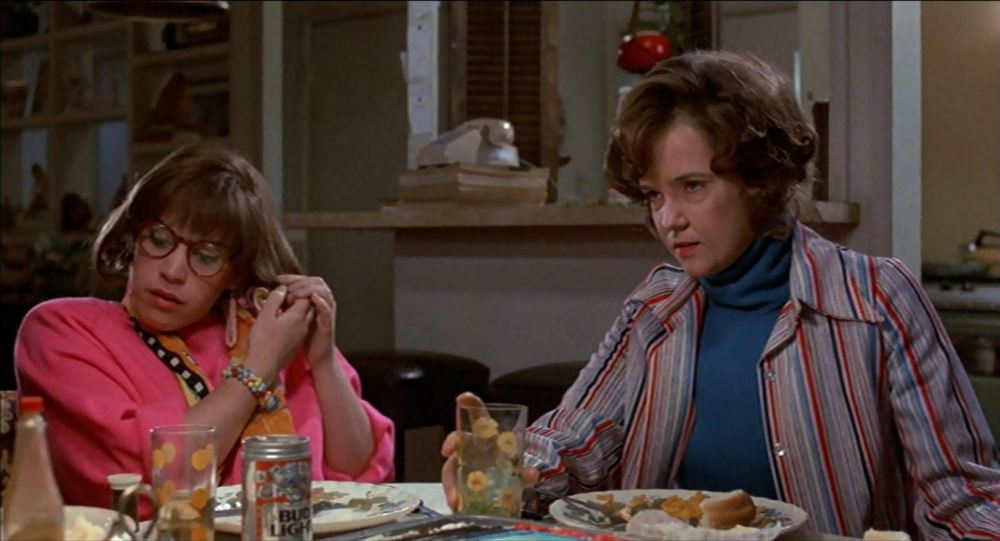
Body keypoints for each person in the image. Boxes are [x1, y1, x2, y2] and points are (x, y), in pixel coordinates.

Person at [441, 50, 1000, 540]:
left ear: (763, 180)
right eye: (654, 195)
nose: (668, 220)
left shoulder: (875, 298)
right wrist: (506, 462)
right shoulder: (656, 306)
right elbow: (576, 438)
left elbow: (960, 497)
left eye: (693, 187)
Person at [15, 144, 395, 512]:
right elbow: (146, 487)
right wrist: (258, 369)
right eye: (159, 239)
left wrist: (323, 361)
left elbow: (359, 476)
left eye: (206, 256)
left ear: (235, 273)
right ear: (133, 238)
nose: (172, 271)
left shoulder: (267, 329)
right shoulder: (62, 330)